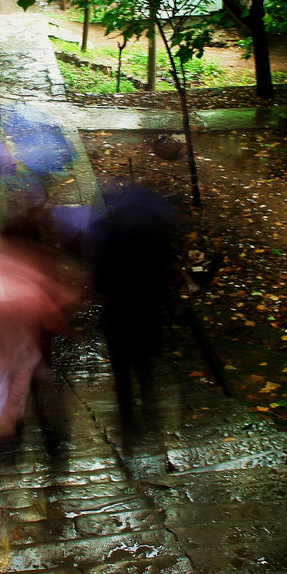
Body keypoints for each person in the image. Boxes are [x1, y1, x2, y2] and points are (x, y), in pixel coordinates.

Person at [86, 183, 178, 444]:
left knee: (122, 368)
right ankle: (150, 407)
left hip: (118, 312)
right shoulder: (155, 233)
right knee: (145, 363)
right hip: (148, 309)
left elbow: (99, 282)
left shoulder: (105, 231)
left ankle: (127, 418)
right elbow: (163, 272)